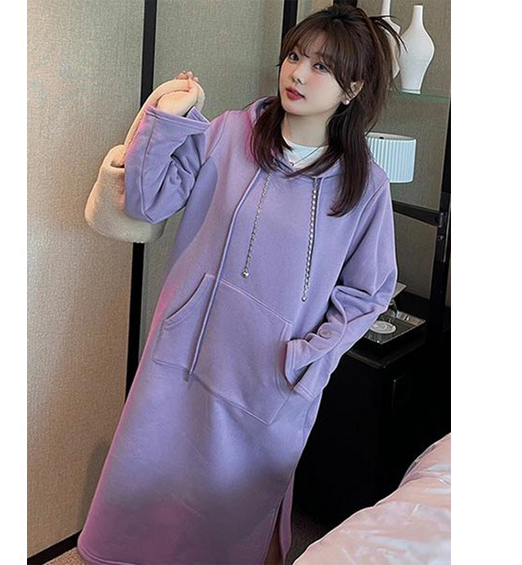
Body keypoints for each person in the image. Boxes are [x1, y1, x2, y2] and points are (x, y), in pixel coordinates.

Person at [77, 3, 402, 564]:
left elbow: (367, 292)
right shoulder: (230, 132)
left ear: (352, 89)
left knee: (232, 515)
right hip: (186, 351)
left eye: (321, 67)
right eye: (295, 56)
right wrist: (167, 119)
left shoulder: (363, 184)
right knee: (149, 484)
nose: (298, 74)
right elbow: (146, 201)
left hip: (270, 371)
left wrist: (310, 358)